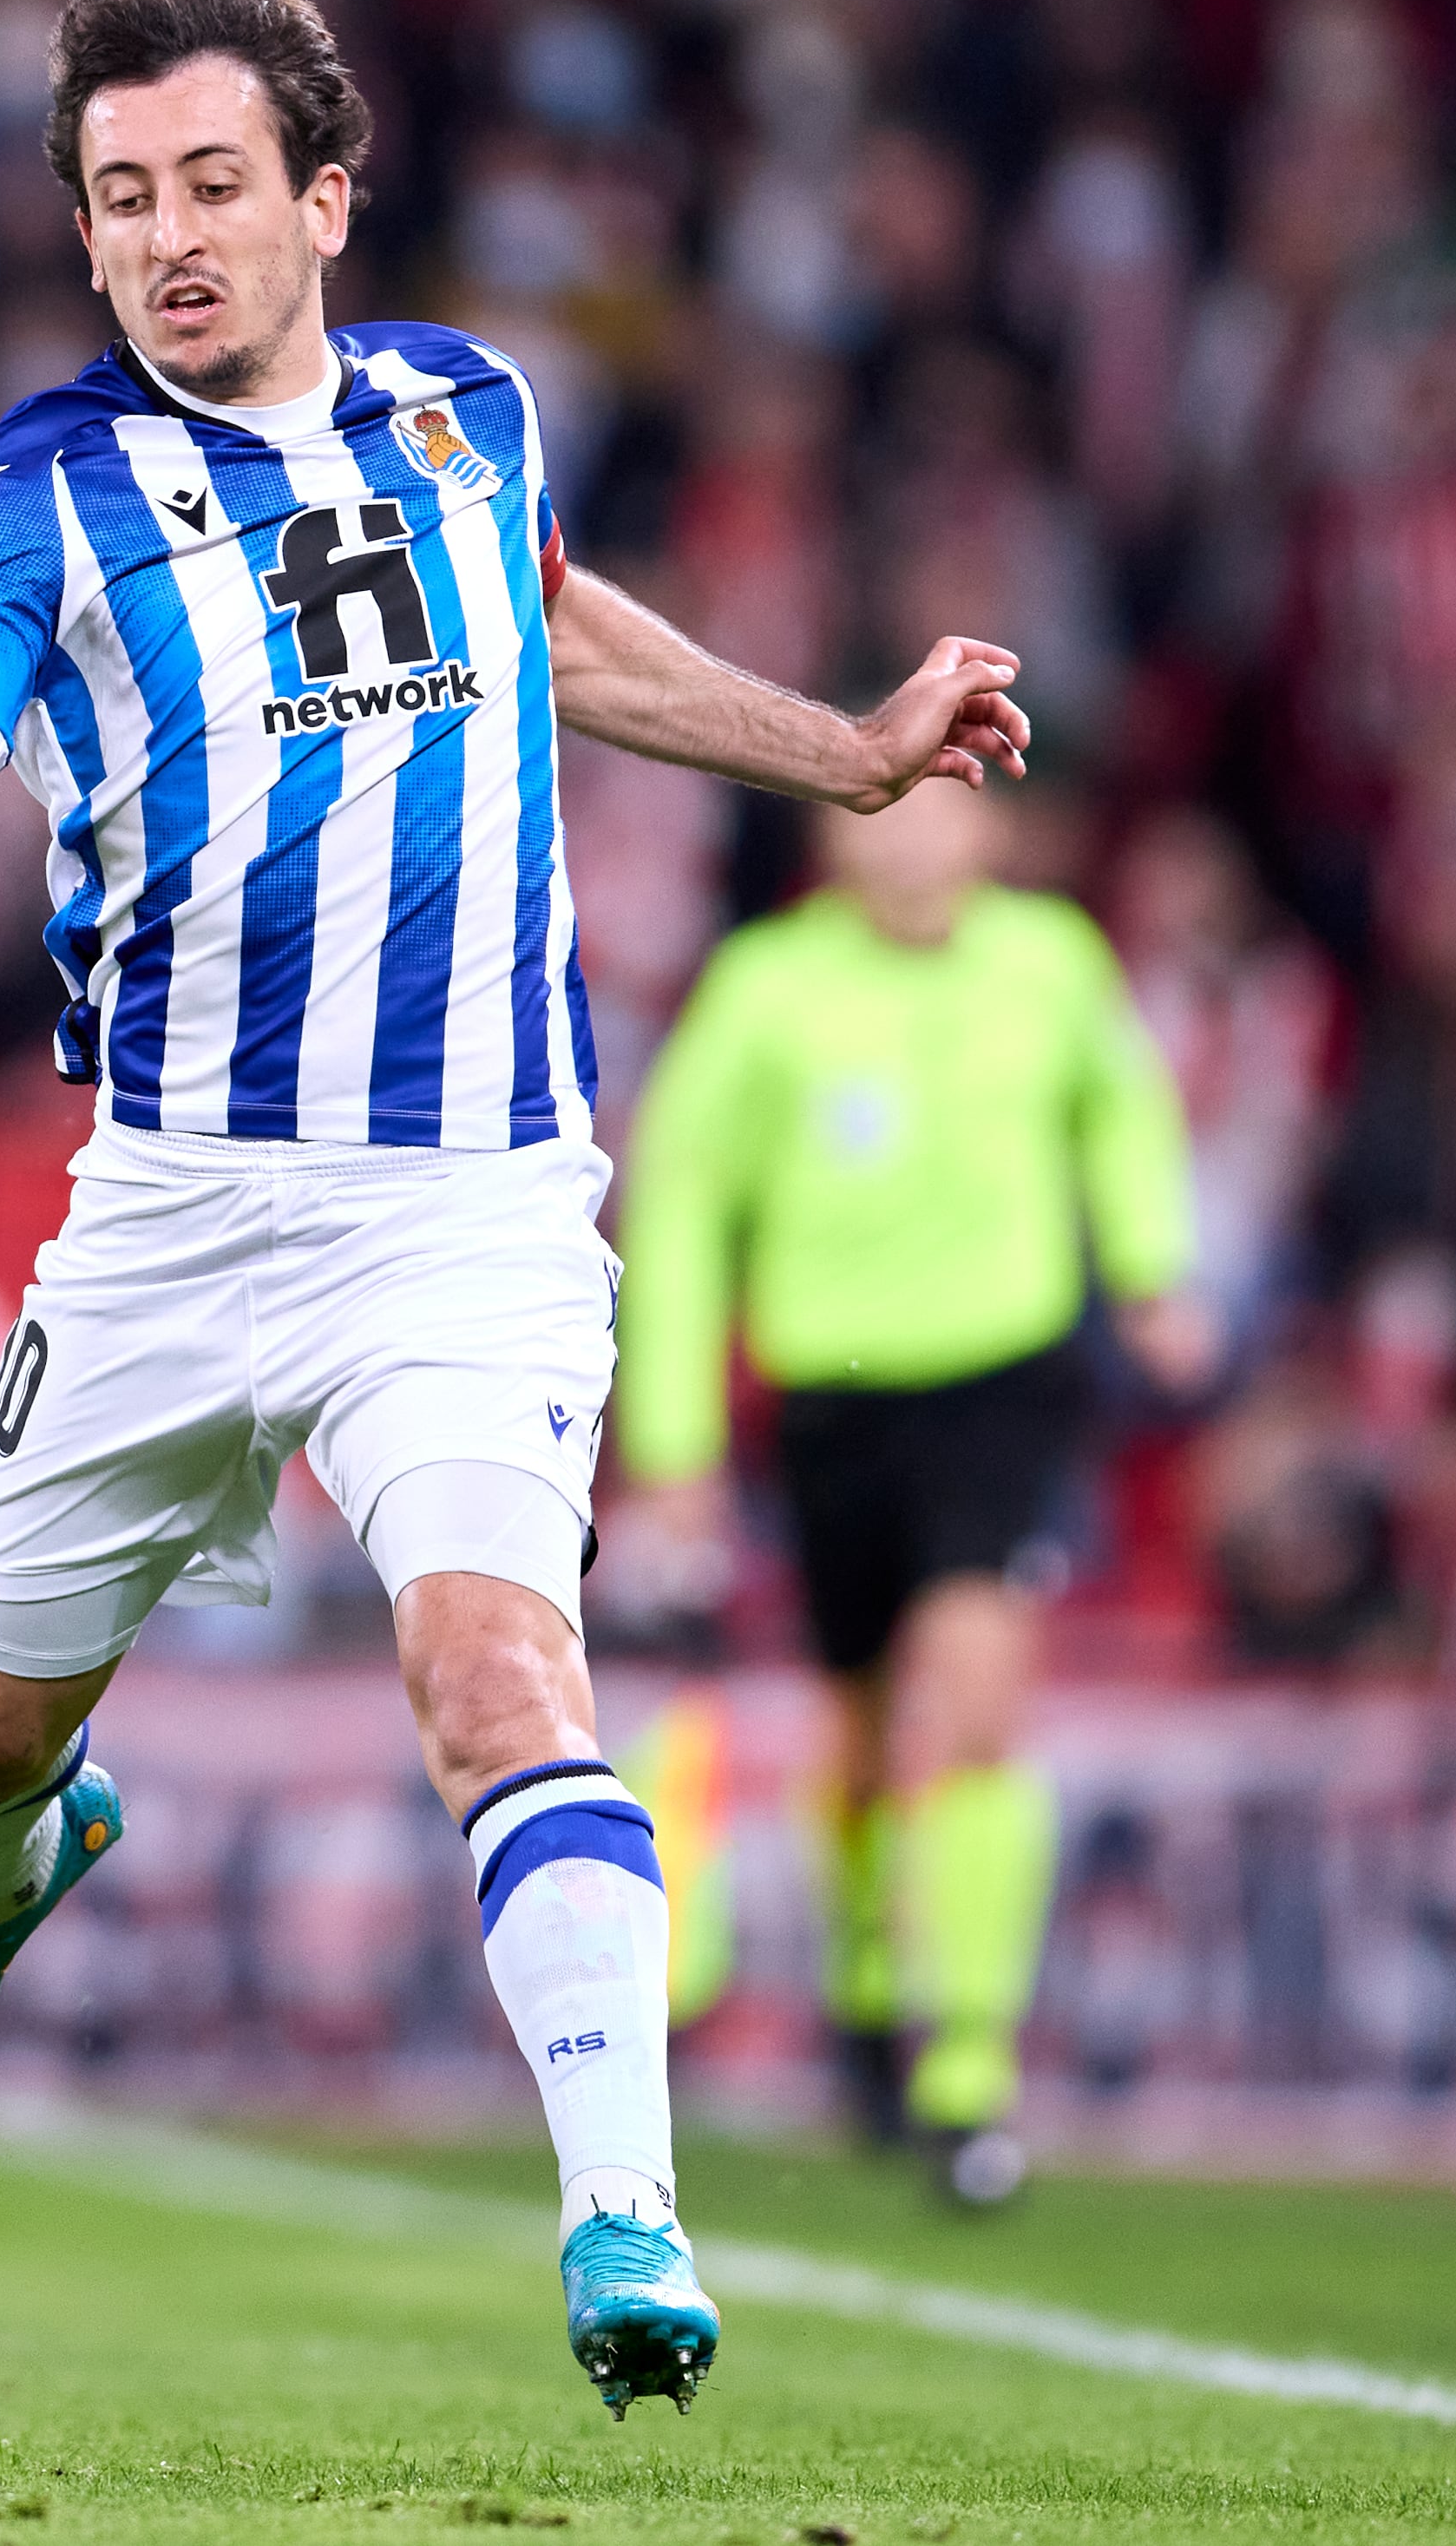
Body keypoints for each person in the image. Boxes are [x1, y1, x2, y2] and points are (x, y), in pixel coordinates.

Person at [0, 0, 1032, 2418]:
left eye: (215, 183)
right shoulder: (32, 490)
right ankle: (13, 1867)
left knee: (499, 1669)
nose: (171, 237)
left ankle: (623, 2210)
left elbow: (545, 621)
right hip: (174, 1208)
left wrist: (845, 755)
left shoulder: (468, 402)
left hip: (470, 1205)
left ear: (327, 195)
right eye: (123, 200)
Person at [614, 782, 1211, 2205]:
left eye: (945, 814)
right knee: (863, 1724)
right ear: (837, 836)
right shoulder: (766, 992)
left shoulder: (1050, 963)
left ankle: (972, 2065)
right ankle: (873, 1974)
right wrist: (680, 1445)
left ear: (991, 834)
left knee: (977, 1686)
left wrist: (1151, 1267)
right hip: (835, 1397)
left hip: (1004, 1381)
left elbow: (1123, 1115)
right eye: (887, 814)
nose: (917, 844)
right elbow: (684, 1207)